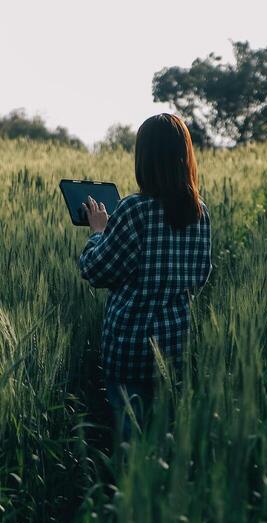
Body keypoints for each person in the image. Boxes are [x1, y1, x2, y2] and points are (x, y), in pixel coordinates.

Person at [78, 113, 212, 443]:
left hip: (129, 348)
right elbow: (200, 276)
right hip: (175, 345)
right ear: (186, 157)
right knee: (164, 439)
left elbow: (97, 269)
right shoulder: (199, 211)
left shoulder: (133, 208)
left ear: (144, 159)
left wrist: (99, 232)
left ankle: (129, 493)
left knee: (131, 441)